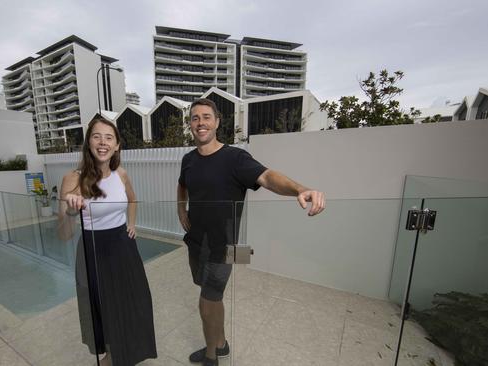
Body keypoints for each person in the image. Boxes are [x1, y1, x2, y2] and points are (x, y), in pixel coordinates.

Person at [177, 99, 325, 366]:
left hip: (225, 247)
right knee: (210, 294)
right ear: (190, 123)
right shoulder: (188, 160)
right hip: (196, 243)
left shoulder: (235, 158)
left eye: (206, 117)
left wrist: (300, 189)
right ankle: (220, 344)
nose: (200, 123)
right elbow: (182, 186)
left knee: (207, 301)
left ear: (217, 122)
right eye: (195, 118)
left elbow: (268, 177)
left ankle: (212, 357)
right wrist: (181, 211)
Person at [59, 117, 157, 366]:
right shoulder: (73, 179)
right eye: (96, 136)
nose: (102, 142)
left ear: (117, 146)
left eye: (109, 137)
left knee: (133, 304)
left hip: (123, 246)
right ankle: (110, 357)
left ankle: (126, 356)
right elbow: (64, 233)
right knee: (104, 310)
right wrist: (70, 210)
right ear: (88, 143)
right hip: (94, 249)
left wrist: (131, 224)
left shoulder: (121, 174)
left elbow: (132, 200)